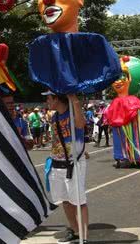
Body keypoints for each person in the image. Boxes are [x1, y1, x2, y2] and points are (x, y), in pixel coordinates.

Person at [44, 91, 90, 244]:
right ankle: (76, 231)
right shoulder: (54, 117)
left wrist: (74, 100)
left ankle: (84, 236)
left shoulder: (72, 114)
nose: (47, 101)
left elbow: (80, 125)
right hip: (57, 162)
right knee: (64, 200)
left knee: (78, 201)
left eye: (49, 98)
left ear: (57, 98)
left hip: (73, 163)